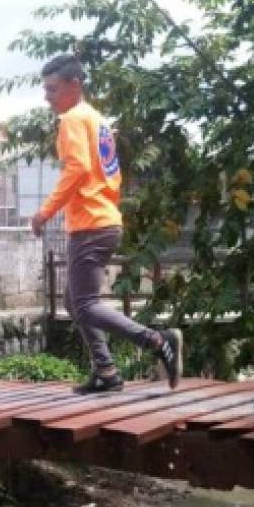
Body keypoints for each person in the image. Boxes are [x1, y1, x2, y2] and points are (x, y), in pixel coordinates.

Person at [30, 54, 183, 395]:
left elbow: (78, 169)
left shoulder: (73, 119)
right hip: (105, 220)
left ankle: (157, 341)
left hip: (89, 224)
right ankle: (106, 372)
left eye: (52, 89)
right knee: (74, 300)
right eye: (46, 90)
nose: (47, 97)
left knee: (84, 304)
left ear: (74, 85)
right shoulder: (95, 119)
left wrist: (44, 212)